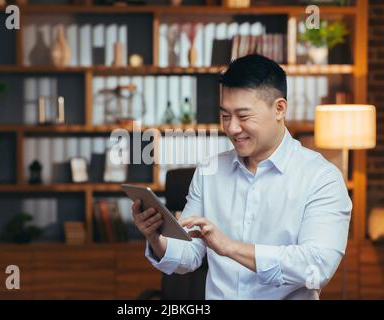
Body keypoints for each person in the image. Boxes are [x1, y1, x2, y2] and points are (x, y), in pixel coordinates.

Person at [131, 54, 352, 300]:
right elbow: (188, 257)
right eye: (225, 116)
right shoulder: (208, 171)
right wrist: (155, 237)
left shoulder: (322, 178)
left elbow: (317, 267)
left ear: (279, 109)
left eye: (244, 116)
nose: (232, 128)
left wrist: (229, 247)